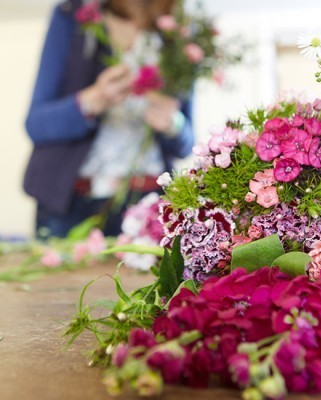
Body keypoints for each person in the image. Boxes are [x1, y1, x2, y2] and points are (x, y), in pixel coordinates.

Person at [23, 0, 195, 239]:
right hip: (70, 205)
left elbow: (186, 142)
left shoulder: (178, 28)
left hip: (150, 205)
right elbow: (36, 124)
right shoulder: (71, 16)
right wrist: (92, 101)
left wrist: (172, 122)